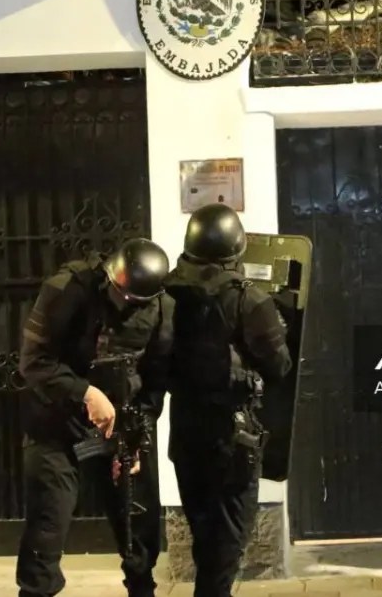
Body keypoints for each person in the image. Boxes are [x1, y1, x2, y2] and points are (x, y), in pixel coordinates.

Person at [15, 238, 174, 597]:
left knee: (138, 527)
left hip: (121, 425)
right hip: (57, 422)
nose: (124, 306)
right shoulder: (68, 289)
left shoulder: (163, 309)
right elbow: (33, 362)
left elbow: (155, 383)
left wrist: (135, 442)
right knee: (47, 526)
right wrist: (85, 393)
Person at [163, 203, 292, 597]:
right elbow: (280, 366)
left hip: (185, 433)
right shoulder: (249, 300)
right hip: (232, 440)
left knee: (205, 535)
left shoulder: (167, 292)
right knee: (229, 541)